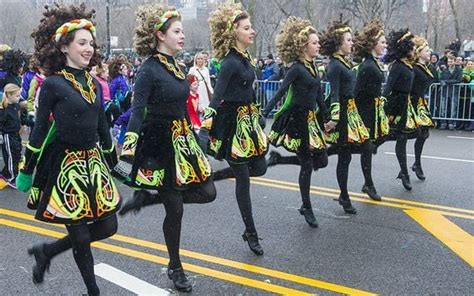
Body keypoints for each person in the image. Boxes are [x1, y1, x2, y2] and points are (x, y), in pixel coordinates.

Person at [15, 4, 121, 295]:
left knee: (108, 225)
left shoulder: (95, 84)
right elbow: (38, 131)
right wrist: (26, 170)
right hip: (64, 167)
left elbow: (102, 127)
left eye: (91, 43)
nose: (89, 49)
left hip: (94, 164)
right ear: (64, 46)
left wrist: (116, 162)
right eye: (82, 43)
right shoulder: (52, 85)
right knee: (81, 235)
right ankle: (93, 291)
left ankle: (47, 251)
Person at [113, 5, 216, 292]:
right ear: (160, 35)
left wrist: (195, 138)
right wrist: (128, 152)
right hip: (160, 146)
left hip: (183, 142)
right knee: (176, 209)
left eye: (182, 31)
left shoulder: (177, 67)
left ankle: (147, 200)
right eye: (177, 31)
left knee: (208, 192)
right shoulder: (148, 70)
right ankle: (175, 266)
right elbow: (137, 112)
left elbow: (181, 106)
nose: (182, 36)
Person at [204, 2, 267, 255]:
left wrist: (258, 117)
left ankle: (223, 173)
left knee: (260, 167)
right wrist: (204, 129)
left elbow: (248, 92)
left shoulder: (246, 60)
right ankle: (250, 232)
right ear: (234, 32)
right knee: (243, 179)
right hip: (231, 126)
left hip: (249, 123)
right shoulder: (229, 62)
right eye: (247, 28)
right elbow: (217, 96)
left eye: (251, 27)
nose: (252, 32)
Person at [262, 16, 328, 227]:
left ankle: (279, 160)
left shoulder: (315, 67)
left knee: (322, 160)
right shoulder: (296, 68)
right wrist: (264, 112)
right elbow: (281, 91)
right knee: (307, 163)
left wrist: (326, 118)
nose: (318, 46)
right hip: (296, 120)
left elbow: (318, 96)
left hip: (310, 120)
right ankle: (306, 206)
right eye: (315, 43)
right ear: (303, 46)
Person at [320, 19, 370, 214]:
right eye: (348, 40)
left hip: (351, 112)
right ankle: (344, 195)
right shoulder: (334, 66)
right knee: (345, 157)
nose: (352, 43)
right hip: (342, 116)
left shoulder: (344, 63)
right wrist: (333, 119)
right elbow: (334, 93)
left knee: (359, 150)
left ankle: (346, 194)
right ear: (339, 43)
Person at [352, 19, 389, 201]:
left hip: (373, 112)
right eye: (382, 42)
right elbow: (357, 91)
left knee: (375, 143)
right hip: (364, 113)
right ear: (373, 44)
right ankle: (368, 184)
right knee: (364, 149)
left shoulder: (373, 63)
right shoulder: (367, 65)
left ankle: (368, 183)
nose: (385, 45)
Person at [382, 29, 417, 190]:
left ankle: (404, 171)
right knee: (399, 138)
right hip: (395, 106)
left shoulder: (408, 64)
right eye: (413, 45)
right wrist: (381, 105)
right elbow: (388, 88)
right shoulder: (397, 66)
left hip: (405, 104)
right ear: (405, 46)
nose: (415, 48)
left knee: (404, 136)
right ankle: (404, 172)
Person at [410, 36, 435, 181]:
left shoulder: (426, 67)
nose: (430, 53)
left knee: (424, 134)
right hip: (412, 103)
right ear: (419, 53)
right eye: (426, 51)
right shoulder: (414, 69)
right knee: (403, 134)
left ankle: (417, 163)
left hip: (420, 103)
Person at [0, 83, 22, 188]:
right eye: (17, 96)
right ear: (9, 95)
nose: (19, 98)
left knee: (17, 155)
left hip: (16, 134)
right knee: (11, 157)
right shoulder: (3, 109)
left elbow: (19, 120)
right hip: (8, 136)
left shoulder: (16, 106)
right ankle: (12, 178)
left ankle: (5, 173)